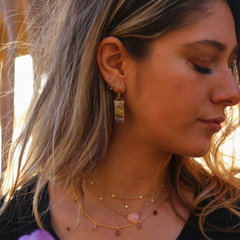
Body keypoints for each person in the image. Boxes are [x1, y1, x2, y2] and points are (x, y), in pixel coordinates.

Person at [1, 0, 240, 239]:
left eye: (231, 66)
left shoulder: (232, 220)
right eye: (203, 64)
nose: (233, 93)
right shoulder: (10, 223)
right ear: (115, 64)